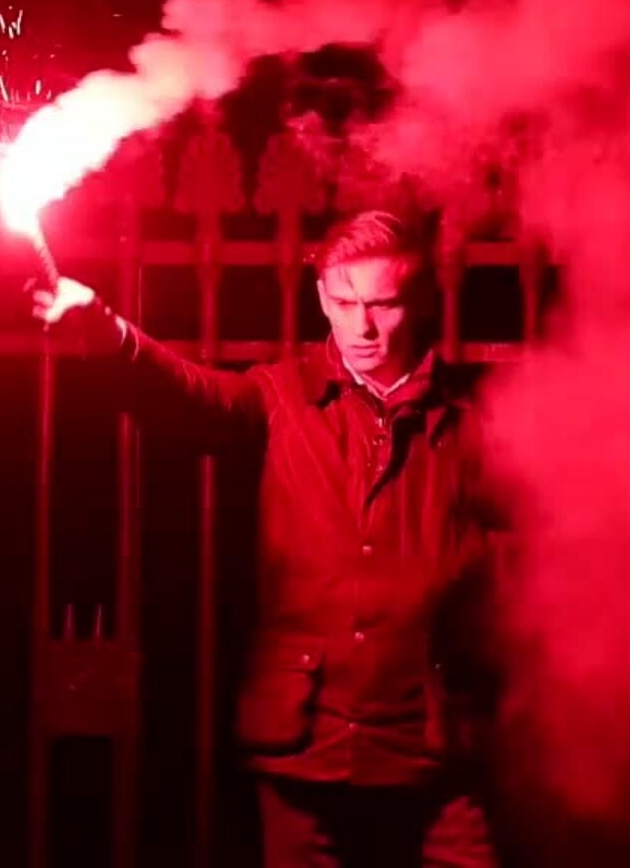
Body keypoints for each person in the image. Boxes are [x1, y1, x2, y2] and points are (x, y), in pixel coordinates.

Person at [30, 208, 508, 868]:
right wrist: (109, 334)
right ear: (321, 298)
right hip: (304, 740)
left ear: (419, 302)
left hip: (430, 742)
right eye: (345, 302)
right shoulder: (284, 396)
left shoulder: (471, 423)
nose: (363, 326)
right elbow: (191, 397)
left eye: (383, 304)